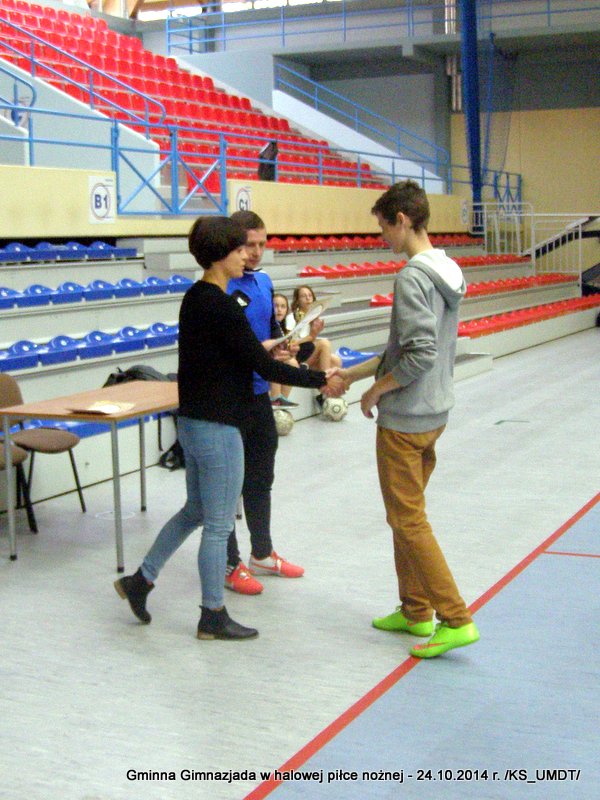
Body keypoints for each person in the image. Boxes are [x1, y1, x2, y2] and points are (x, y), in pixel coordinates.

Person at [114, 216, 342, 640]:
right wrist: (319, 379)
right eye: (240, 250)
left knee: (195, 512)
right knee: (218, 525)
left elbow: (242, 351)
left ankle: (140, 581)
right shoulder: (221, 305)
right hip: (218, 426)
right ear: (221, 254)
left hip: (194, 421)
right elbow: (261, 366)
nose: (247, 257)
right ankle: (212, 614)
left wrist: (278, 348)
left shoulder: (198, 297)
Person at [338, 180, 480, 658]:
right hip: (433, 412)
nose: (382, 237)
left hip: (404, 420)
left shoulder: (412, 278)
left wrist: (376, 389)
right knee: (405, 516)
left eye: (383, 227)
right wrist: (353, 374)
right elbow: (402, 350)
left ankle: (455, 618)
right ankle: (416, 609)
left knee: (409, 519)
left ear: (401, 220)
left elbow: (419, 354)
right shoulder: (447, 269)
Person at [224, 211, 309, 595]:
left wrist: (285, 346)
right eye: (250, 245)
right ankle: (229, 562)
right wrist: (263, 350)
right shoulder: (221, 286)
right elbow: (229, 347)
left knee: (261, 478)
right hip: (229, 397)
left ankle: (261, 553)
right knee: (228, 487)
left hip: (260, 394)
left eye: (263, 244)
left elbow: (271, 331)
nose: (257, 252)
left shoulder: (263, 281)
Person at [269, 293, 300, 407]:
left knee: (292, 363)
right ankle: (276, 398)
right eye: (275, 306)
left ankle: (282, 399)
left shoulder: (281, 327)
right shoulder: (268, 325)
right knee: (281, 361)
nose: (279, 310)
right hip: (263, 360)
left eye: (283, 306)